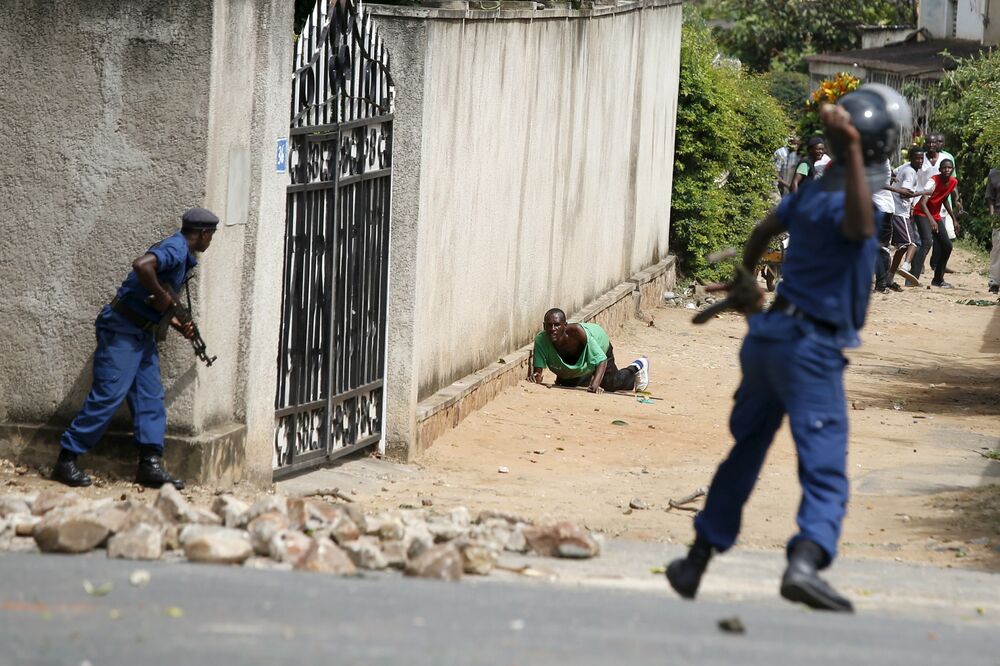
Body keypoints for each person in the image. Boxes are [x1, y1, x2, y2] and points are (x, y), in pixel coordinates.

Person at [666, 84, 909, 613]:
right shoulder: (856, 204)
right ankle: (804, 562)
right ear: (884, 147)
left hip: (770, 339)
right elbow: (862, 225)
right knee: (824, 463)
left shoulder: (812, 194)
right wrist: (847, 147)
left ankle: (696, 560)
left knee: (746, 451)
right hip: (809, 348)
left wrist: (747, 278)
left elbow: (763, 228)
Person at [51, 208, 219, 489]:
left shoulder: (182, 256)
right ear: (202, 234)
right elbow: (142, 266)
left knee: (150, 399)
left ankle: (149, 465)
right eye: (210, 235)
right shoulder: (175, 248)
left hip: (142, 335)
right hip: (122, 330)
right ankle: (66, 461)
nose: (210, 241)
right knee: (108, 395)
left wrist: (180, 325)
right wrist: (167, 300)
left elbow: (155, 301)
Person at [530, 308, 648, 393]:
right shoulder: (541, 340)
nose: (553, 329)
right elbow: (538, 372)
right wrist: (536, 376)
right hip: (579, 362)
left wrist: (595, 384)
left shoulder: (577, 332)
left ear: (565, 325)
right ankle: (589, 376)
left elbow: (601, 360)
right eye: (549, 325)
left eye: (557, 325)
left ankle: (637, 367)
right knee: (567, 383)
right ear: (544, 326)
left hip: (600, 346)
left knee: (610, 383)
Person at [912, 159, 960, 288]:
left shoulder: (953, 182)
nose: (947, 170)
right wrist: (931, 220)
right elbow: (922, 204)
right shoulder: (933, 180)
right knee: (927, 242)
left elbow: (944, 199)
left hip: (935, 215)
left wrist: (954, 219)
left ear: (953, 169)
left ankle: (938, 279)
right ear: (940, 169)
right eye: (944, 168)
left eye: (949, 168)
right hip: (921, 213)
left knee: (947, 246)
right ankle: (912, 279)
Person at [887, 146, 924, 286]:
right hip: (900, 212)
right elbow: (904, 193)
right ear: (911, 158)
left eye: (921, 158)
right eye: (917, 158)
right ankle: (906, 266)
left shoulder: (904, 167)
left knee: (902, 247)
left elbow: (893, 174)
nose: (919, 161)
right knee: (912, 243)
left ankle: (889, 278)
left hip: (895, 209)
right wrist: (924, 192)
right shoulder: (910, 172)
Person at [987, 168, 1000, 294]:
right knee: (997, 248)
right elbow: (990, 197)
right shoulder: (994, 173)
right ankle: (995, 282)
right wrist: (992, 217)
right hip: (998, 215)